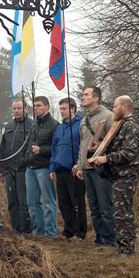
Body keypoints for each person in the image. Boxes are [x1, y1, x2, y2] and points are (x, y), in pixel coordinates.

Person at [89, 96, 139, 257]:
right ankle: (125, 247)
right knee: (120, 212)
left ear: (125, 107)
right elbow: (115, 147)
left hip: (126, 175)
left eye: (115, 106)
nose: (113, 109)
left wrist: (105, 158)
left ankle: (126, 249)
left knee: (122, 212)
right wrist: (99, 149)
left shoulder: (132, 126)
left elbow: (129, 153)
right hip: (117, 175)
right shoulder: (120, 125)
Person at [72, 87, 115, 247]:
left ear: (96, 98)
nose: (82, 97)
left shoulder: (109, 116)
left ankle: (110, 241)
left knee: (105, 206)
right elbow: (82, 146)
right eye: (82, 94)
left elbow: (116, 142)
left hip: (101, 169)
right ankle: (99, 239)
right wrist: (80, 165)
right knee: (94, 207)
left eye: (86, 95)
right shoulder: (83, 120)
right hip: (87, 169)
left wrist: (101, 149)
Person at [49, 98, 87, 240]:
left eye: (64, 108)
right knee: (64, 202)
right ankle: (68, 230)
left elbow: (84, 146)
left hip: (75, 169)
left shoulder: (81, 124)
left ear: (72, 109)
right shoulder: (59, 128)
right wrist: (52, 167)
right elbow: (54, 149)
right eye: (60, 109)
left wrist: (80, 165)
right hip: (60, 170)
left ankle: (80, 232)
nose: (61, 111)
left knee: (76, 202)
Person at [25, 96, 59, 238]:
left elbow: (57, 148)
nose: (36, 108)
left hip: (44, 167)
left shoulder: (54, 125)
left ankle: (50, 233)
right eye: (34, 106)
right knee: (32, 203)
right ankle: (38, 232)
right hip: (30, 168)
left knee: (47, 202)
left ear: (47, 107)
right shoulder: (34, 125)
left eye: (39, 105)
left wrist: (42, 150)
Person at [0, 99, 34, 234]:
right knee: (12, 201)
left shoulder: (32, 125)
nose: (17, 111)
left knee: (23, 201)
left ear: (25, 108)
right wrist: (2, 165)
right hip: (9, 170)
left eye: (19, 108)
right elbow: (3, 147)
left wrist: (22, 162)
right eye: (14, 108)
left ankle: (25, 229)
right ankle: (15, 228)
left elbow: (30, 148)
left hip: (23, 169)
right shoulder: (8, 126)